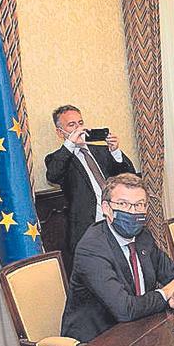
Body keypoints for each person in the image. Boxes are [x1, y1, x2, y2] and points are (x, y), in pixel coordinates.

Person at [61, 173, 174, 343]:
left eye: (139, 205)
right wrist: (167, 292)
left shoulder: (143, 237)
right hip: (96, 345)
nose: (133, 212)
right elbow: (124, 309)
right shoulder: (92, 248)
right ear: (106, 208)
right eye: (123, 204)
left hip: (140, 330)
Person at [45, 104, 136, 266]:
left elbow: (129, 176)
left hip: (119, 219)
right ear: (60, 132)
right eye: (72, 125)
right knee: (97, 270)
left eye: (80, 123)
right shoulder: (59, 158)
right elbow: (53, 175)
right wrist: (70, 144)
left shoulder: (102, 151)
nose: (79, 128)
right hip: (88, 226)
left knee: (125, 267)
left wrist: (115, 152)